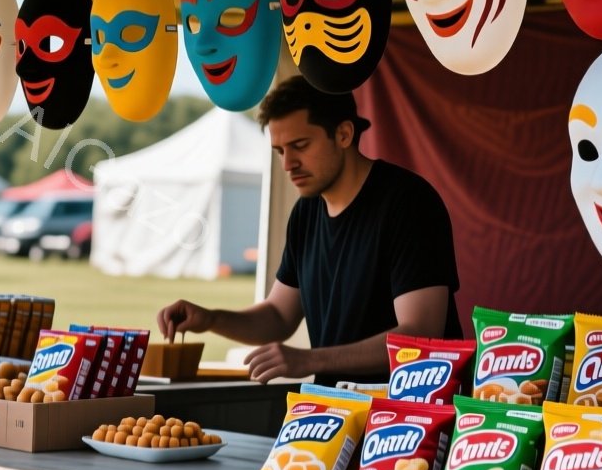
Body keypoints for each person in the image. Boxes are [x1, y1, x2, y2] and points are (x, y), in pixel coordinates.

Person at [157, 76, 460, 385]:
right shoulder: (306, 213)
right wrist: (211, 319)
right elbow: (278, 316)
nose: (288, 164)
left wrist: (309, 359)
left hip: (410, 416)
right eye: (279, 151)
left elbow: (421, 333)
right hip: (335, 412)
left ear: (343, 134)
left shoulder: (408, 202)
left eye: (300, 146)